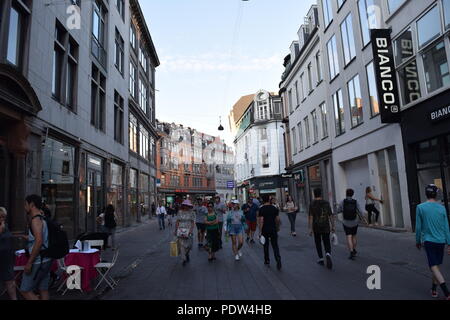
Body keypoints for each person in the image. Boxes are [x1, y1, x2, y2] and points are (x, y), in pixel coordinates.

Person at [415, 184, 450, 300]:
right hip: (441, 241)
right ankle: (434, 290)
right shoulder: (442, 208)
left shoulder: (420, 207)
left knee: (434, 267)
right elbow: (446, 227)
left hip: (429, 241)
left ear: (426, 194)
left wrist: (418, 241)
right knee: (436, 266)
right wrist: (449, 243)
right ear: (436, 194)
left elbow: (418, 227)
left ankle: (447, 292)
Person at [19, 195, 52, 300]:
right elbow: (39, 237)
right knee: (43, 289)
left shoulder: (35, 220)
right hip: (46, 258)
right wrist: (28, 237)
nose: (25, 207)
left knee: (25, 290)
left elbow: (38, 241)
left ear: (31, 204)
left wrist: (29, 262)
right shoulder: (43, 218)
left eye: (25, 204)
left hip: (38, 261)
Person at [308, 188, 335, 269]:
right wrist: (333, 225)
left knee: (318, 242)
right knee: (326, 241)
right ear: (321, 194)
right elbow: (330, 215)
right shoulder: (326, 203)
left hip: (316, 226)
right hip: (326, 225)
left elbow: (310, 217)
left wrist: (310, 228)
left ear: (314, 194)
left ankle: (321, 258)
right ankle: (327, 253)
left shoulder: (312, 204)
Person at [337, 189, 367, 260]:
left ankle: (351, 252)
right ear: (352, 194)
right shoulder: (355, 202)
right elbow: (361, 212)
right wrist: (364, 219)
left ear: (346, 194)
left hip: (346, 222)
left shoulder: (342, 202)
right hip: (354, 222)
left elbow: (338, 210)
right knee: (354, 236)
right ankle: (354, 249)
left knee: (348, 237)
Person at [258, 194, 282, 270]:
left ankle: (267, 260)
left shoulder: (261, 209)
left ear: (262, 200)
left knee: (266, 245)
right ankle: (278, 259)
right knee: (275, 245)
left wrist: (260, 231)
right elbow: (278, 219)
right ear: (269, 199)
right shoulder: (274, 208)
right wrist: (277, 227)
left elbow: (261, 221)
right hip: (273, 229)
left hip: (265, 229)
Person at [0, 207, 17, 300]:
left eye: (3, 217)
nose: (2, 219)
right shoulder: (2, 227)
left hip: (7, 258)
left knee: (10, 282)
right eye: (0, 217)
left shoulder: (5, 226)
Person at [174, 200, 195, 266]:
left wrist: (191, 230)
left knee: (189, 245)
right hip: (181, 229)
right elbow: (177, 221)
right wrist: (176, 230)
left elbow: (192, 222)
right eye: (185, 205)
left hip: (188, 229)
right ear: (183, 205)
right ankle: (184, 259)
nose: (186, 206)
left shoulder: (192, 212)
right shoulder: (179, 212)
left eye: (187, 205)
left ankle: (187, 254)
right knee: (182, 245)